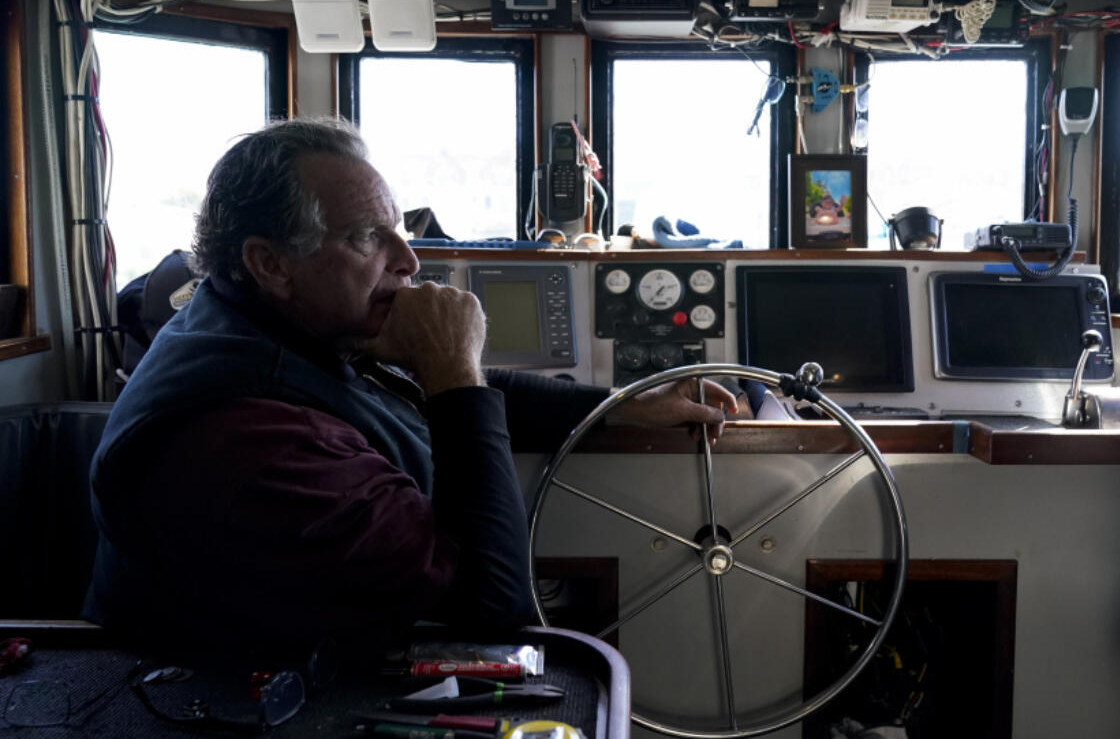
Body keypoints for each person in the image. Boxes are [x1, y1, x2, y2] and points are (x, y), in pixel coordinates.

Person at [82, 117, 735, 652]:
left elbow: (452, 388)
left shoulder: (266, 323)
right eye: (369, 236)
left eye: (399, 228)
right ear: (270, 262)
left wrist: (627, 406)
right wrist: (452, 371)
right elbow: (491, 612)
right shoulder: (252, 439)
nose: (410, 259)